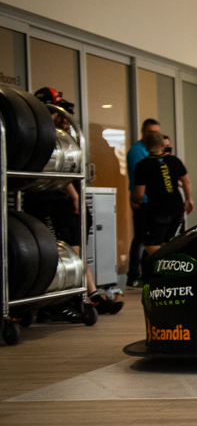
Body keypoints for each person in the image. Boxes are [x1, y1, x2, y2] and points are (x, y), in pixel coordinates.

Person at [24, 91, 122, 314]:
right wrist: (74, 195)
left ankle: (90, 295)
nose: (64, 120)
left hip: (65, 201)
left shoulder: (63, 138)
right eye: (57, 114)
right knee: (63, 252)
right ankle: (69, 299)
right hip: (50, 200)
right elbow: (53, 170)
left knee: (77, 251)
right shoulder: (41, 137)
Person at [132, 130, 193, 258]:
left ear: (146, 145)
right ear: (162, 145)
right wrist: (188, 199)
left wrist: (135, 201)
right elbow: (186, 182)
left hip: (158, 210)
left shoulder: (142, 165)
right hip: (177, 207)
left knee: (151, 245)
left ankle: (164, 264)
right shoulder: (174, 161)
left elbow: (140, 193)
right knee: (169, 243)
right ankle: (169, 266)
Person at [124, 118, 159, 288]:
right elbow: (144, 177)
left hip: (152, 201)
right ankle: (134, 275)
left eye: (156, 132)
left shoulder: (153, 151)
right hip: (142, 201)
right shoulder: (136, 151)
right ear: (144, 132)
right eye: (151, 132)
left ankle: (146, 274)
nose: (154, 135)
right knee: (140, 238)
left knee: (150, 240)